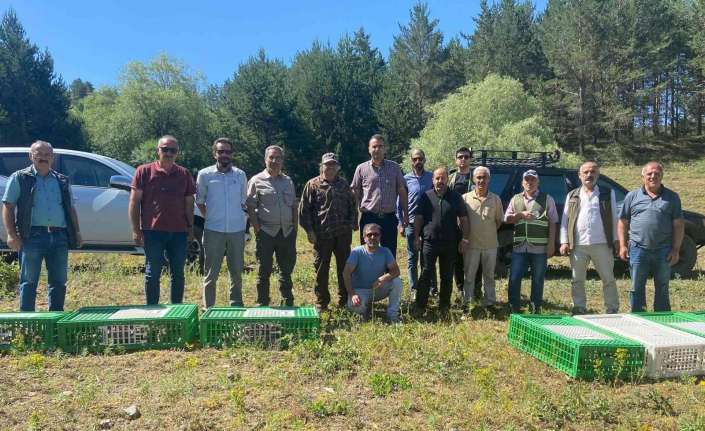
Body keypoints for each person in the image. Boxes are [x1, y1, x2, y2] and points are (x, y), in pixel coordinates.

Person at [2, 140, 82, 311]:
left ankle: (55, 321)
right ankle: (28, 324)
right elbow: (8, 207)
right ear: (31, 156)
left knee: (59, 281)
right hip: (32, 237)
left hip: (59, 236)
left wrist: (77, 232)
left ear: (53, 158)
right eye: (39, 154)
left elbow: (71, 208)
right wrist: (11, 234)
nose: (43, 157)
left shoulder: (62, 180)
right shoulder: (20, 178)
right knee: (29, 281)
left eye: (47, 154)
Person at [129, 135, 196, 305]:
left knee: (178, 273)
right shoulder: (143, 171)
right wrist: (136, 230)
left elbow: (189, 203)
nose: (169, 153)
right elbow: (134, 202)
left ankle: (176, 310)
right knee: (153, 273)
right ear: (158, 150)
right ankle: (152, 310)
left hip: (179, 232)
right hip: (153, 231)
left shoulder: (184, 174)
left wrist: (190, 228)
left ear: (177, 153)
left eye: (173, 150)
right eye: (165, 149)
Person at [618, 161, 683, 312]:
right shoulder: (632, 196)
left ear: (662, 176)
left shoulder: (672, 197)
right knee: (636, 286)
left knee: (662, 285)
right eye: (649, 173)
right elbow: (622, 222)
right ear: (643, 176)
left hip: (664, 250)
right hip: (638, 249)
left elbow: (678, 225)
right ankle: (638, 315)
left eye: (657, 174)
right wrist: (622, 245)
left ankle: (662, 317)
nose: (653, 176)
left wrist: (676, 249)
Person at [299, 153, 358, 311]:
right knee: (321, 269)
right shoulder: (312, 185)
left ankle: (344, 300)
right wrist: (310, 231)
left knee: (344, 268)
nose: (330, 167)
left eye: (333, 165)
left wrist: (353, 223)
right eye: (327, 164)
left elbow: (353, 205)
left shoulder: (344, 185)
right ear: (322, 166)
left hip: (343, 235)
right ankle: (322, 302)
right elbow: (304, 211)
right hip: (322, 235)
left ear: (337, 167)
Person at [559, 161, 619, 314]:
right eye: (585, 172)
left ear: (598, 175)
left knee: (608, 278)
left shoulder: (607, 193)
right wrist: (564, 241)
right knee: (577, 279)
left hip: (602, 243)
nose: (589, 175)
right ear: (579, 176)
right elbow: (565, 221)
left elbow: (614, 218)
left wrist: (616, 240)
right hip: (578, 245)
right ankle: (579, 307)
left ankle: (612, 308)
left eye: (593, 172)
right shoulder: (572, 195)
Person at [196, 137, 248, 309]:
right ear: (214, 154)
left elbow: (243, 202)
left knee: (236, 273)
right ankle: (208, 308)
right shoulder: (204, 175)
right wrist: (210, 217)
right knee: (211, 273)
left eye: (227, 151)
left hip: (236, 231)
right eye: (220, 151)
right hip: (213, 230)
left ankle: (236, 306)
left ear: (232, 154)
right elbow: (200, 201)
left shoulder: (240, 175)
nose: (224, 155)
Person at [413, 167, 470, 315]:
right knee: (425, 273)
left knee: (446, 275)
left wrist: (464, 239)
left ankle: (444, 306)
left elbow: (463, 219)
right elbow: (418, 218)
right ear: (433, 180)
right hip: (429, 242)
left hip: (450, 243)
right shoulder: (425, 196)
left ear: (447, 179)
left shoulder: (456, 197)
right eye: (437, 178)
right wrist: (416, 236)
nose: (440, 181)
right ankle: (420, 306)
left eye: (443, 178)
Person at [247, 145, 298, 307]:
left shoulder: (288, 181)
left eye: (278, 158)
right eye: (272, 157)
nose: (275, 161)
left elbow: (294, 207)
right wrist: (257, 229)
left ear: (283, 161)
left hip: (287, 232)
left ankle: (287, 301)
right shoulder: (256, 180)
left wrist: (295, 229)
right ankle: (262, 303)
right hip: (266, 233)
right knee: (264, 271)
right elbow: (250, 207)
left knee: (286, 270)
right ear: (265, 159)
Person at [504, 169, 558, 314]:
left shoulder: (548, 199)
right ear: (522, 182)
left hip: (540, 248)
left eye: (532, 179)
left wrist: (551, 244)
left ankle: (535, 308)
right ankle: (513, 307)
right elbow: (506, 219)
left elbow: (553, 222)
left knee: (538, 279)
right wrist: (520, 215)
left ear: (538, 182)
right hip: (519, 247)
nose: (529, 182)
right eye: (527, 180)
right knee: (514, 278)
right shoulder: (515, 199)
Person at [351, 134, 408, 258]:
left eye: (380, 146)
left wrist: (405, 216)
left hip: (389, 219)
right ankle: (368, 277)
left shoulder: (394, 167)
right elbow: (355, 193)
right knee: (367, 254)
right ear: (369, 149)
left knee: (389, 254)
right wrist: (354, 217)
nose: (377, 149)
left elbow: (402, 191)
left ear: (385, 149)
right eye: (374, 146)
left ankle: (388, 277)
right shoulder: (361, 169)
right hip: (368, 218)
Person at [462, 166, 503, 310]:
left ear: (489, 179)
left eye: (484, 177)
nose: (481, 180)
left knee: (489, 276)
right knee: (469, 276)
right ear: (473, 179)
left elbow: (498, 221)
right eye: (478, 177)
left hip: (490, 245)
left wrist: (487, 232)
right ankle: (467, 302)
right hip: (471, 245)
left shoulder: (496, 199)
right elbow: (461, 222)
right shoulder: (465, 198)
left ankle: (490, 302)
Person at [343, 223, 403, 322]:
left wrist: (383, 278)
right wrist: (353, 294)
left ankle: (392, 315)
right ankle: (365, 310)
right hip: (360, 291)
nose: (372, 237)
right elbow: (346, 273)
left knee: (397, 282)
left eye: (376, 234)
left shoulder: (385, 251)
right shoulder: (356, 252)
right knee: (355, 308)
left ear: (380, 236)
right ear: (364, 237)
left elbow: (396, 271)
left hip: (377, 289)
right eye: (369, 234)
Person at [397, 148, 434, 295]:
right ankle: (414, 289)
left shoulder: (432, 177)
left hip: (429, 223)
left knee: (428, 256)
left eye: (420, 159)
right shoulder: (405, 179)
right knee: (413, 257)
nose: (418, 161)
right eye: (415, 159)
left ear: (424, 160)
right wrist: (400, 222)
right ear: (411, 161)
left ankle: (431, 288)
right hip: (411, 223)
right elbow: (399, 204)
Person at [448, 147, 474, 297]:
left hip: (473, 222)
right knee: (457, 258)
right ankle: (460, 289)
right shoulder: (451, 178)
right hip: (454, 224)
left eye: (466, 157)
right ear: (456, 160)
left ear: (470, 159)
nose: (463, 159)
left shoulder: (475, 177)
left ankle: (474, 289)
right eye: (460, 157)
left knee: (473, 258)